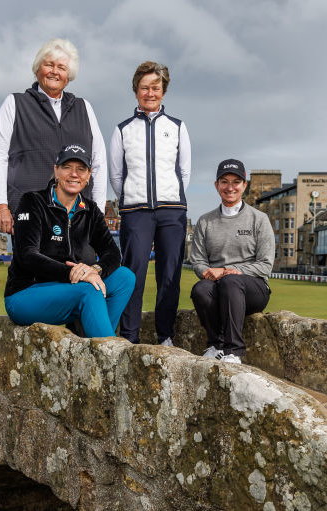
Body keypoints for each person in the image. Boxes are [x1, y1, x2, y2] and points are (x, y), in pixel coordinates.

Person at [4, 144, 135, 337]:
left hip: (70, 288)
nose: (74, 174)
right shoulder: (32, 201)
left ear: (88, 175)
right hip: (26, 293)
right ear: (56, 170)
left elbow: (112, 252)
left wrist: (95, 270)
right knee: (89, 289)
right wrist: (74, 273)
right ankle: (106, 349)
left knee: (125, 277)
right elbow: (27, 255)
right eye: (67, 167)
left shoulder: (90, 210)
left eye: (81, 169)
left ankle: (90, 337)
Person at [0, 38, 107, 234]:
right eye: (49, 64)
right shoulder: (15, 103)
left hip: (77, 213)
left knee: (78, 256)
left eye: (61, 67)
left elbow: (98, 160)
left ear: (69, 76)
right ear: (37, 69)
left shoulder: (84, 108)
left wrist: (99, 212)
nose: (54, 71)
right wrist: (1, 206)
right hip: (29, 210)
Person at [109, 61, 191, 345]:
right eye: (144, 88)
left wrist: (170, 197)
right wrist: (132, 198)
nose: (150, 93)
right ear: (136, 91)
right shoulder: (123, 130)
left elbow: (184, 172)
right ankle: (129, 336)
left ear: (163, 91)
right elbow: (116, 175)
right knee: (133, 275)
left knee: (169, 275)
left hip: (172, 211)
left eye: (155, 87)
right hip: (136, 212)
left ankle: (165, 335)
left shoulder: (177, 127)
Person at [189, 159, 275, 364]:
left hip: (253, 289)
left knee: (230, 281)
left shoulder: (259, 219)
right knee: (200, 289)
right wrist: (207, 272)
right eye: (224, 182)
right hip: (218, 285)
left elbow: (265, 264)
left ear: (244, 185)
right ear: (216, 185)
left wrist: (227, 270)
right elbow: (198, 260)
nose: (230, 187)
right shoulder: (205, 221)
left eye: (236, 182)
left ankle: (234, 351)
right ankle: (216, 345)